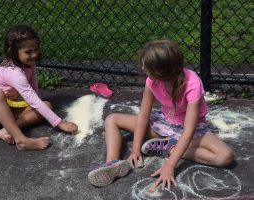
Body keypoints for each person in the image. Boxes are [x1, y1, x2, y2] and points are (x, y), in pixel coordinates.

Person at [88, 40, 234, 190]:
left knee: (225, 156)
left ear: (161, 72)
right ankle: (112, 163)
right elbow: (144, 116)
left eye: (147, 66)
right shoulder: (152, 81)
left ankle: (169, 148)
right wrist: (135, 149)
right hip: (163, 124)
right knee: (112, 119)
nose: (143, 68)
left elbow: (188, 131)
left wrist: (170, 165)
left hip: (192, 130)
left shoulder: (193, 84)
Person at [0, 24, 78, 150]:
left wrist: (34, 106)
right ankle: (21, 140)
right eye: (28, 52)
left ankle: (5, 130)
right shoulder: (13, 72)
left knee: (46, 106)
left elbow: (33, 86)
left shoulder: (28, 63)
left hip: (8, 108)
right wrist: (60, 123)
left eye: (36, 50)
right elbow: (32, 99)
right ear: (12, 51)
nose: (34, 55)